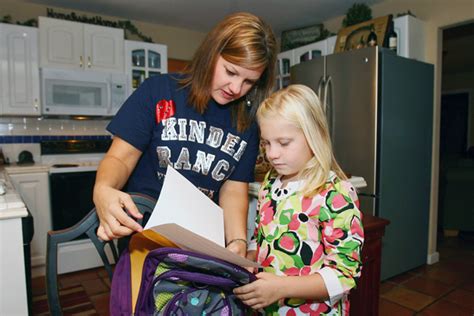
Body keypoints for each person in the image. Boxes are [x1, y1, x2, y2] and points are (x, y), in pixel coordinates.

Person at [93, 11, 277, 258]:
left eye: (249, 82)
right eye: (231, 72)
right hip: (144, 240)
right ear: (211, 54)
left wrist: (237, 240)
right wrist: (103, 188)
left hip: (201, 246)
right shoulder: (157, 91)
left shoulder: (246, 122)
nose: (236, 88)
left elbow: (234, 189)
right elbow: (120, 158)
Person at [234, 84, 364, 315]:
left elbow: (344, 275)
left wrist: (281, 288)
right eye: (266, 143)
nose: (272, 154)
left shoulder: (335, 193)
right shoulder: (271, 183)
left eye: (283, 143)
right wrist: (250, 257)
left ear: (314, 135)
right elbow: (260, 235)